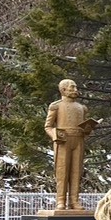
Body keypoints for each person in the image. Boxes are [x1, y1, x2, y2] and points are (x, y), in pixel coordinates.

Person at [44, 78, 97, 212]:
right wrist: (55, 136)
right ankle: (60, 200)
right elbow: (48, 126)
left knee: (76, 172)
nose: (75, 90)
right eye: (72, 87)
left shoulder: (82, 108)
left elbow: (84, 128)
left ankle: (74, 200)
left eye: (75, 87)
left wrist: (87, 129)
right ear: (63, 90)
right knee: (62, 171)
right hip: (63, 141)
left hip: (78, 140)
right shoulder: (56, 106)